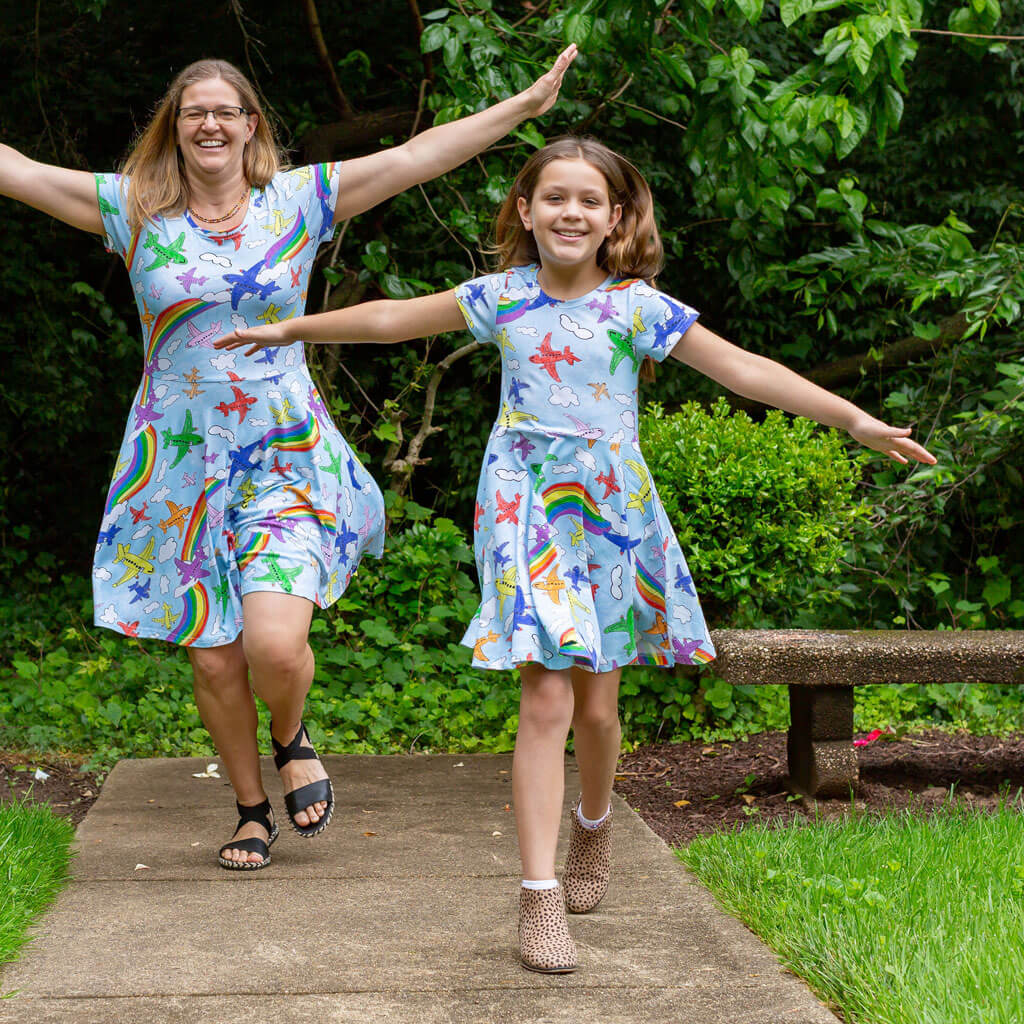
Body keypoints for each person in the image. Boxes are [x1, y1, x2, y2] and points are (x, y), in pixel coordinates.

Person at [214, 136, 936, 965]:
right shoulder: (502, 296)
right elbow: (390, 319)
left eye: (589, 201)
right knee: (547, 700)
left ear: (615, 219)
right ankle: (538, 897)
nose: (570, 212)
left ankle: (592, 828)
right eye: (553, 197)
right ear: (526, 211)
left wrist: (851, 418)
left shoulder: (640, 307)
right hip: (523, 510)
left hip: (612, 516)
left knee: (597, 710)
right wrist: (289, 329)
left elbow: (743, 370)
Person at [0, 48, 578, 872]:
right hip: (176, 463)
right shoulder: (133, 209)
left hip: (284, 451)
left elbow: (415, 158)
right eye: (193, 110)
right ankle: (248, 809)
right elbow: (14, 170)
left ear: (250, 126)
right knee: (212, 654)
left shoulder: (298, 201)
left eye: (224, 111)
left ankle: (290, 731)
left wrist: (521, 108)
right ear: (174, 126)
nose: (208, 123)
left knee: (272, 645)